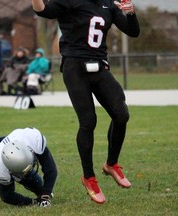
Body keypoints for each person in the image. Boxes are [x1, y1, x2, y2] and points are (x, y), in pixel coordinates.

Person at [30, 0, 140, 204]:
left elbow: (133, 32)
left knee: (121, 114)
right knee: (88, 121)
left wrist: (130, 13)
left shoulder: (108, 4)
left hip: (100, 66)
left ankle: (111, 164)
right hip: (75, 68)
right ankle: (89, 177)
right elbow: (42, 10)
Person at [0, 127, 58, 207]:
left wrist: (45, 194)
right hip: (5, 158)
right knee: (26, 177)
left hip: (17, 141)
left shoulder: (32, 140)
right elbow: (7, 196)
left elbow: (51, 169)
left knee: (33, 179)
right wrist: (32, 203)